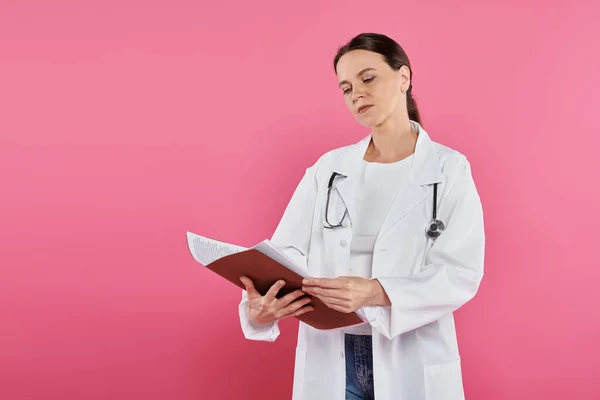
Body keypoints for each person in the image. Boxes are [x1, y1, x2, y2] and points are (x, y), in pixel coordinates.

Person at [238, 32, 485, 400]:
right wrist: (261, 309)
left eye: (368, 78)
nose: (356, 94)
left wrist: (376, 291)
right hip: (335, 355)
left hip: (409, 353)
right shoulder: (329, 169)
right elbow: (284, 254)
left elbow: (461, 271)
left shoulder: (449, 170)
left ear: (404, 78)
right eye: (346, 87)